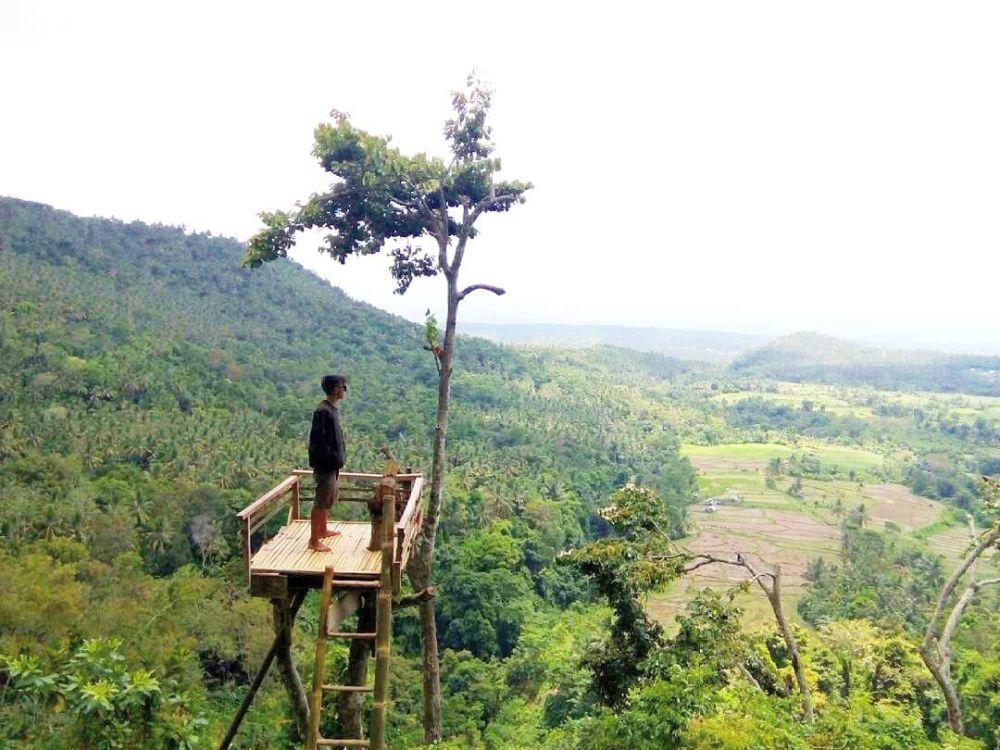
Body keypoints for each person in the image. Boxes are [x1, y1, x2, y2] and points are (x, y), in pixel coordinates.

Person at [307, 374, 348, 552]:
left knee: (327, 499)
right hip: (326, 465)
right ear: (334, 389)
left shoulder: (330, 409)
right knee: (321, 500)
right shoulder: (323, 411)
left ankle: (322, 530)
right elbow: (317, 440)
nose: (344, 390)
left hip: (332, 464)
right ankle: (314, 541)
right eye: (343, 387)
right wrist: (327, 460)